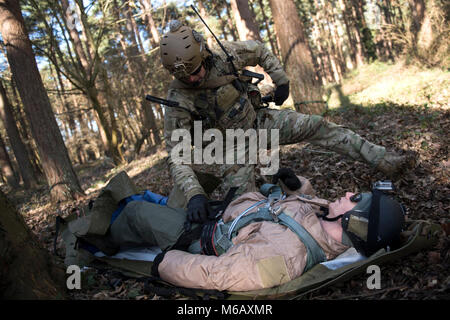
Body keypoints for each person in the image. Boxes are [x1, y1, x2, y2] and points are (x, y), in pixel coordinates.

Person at [159, 20, 414, 226]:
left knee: (318, 125)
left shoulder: (226, 55)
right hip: (229, 147)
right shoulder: (178, 99)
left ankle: (384, 160)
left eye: (195, 72)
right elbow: (176, 155)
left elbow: (259, 49)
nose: (192, 80)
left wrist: (281, 80)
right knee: (246, 208)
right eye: (183, 76)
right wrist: (194, 194)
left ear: (203, 55)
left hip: (260, 122)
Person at [108, 168, 405, 292]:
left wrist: (166, 264)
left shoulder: (285, 256)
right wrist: (298, 186)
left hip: (198, 234)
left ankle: (102, 240)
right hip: (225, 209)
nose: (350, 193)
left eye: (356, 200)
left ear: (356, 223)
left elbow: (220, 274)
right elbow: (300, 205)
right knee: (176, 189)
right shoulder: (327, 216)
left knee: (136, 212)